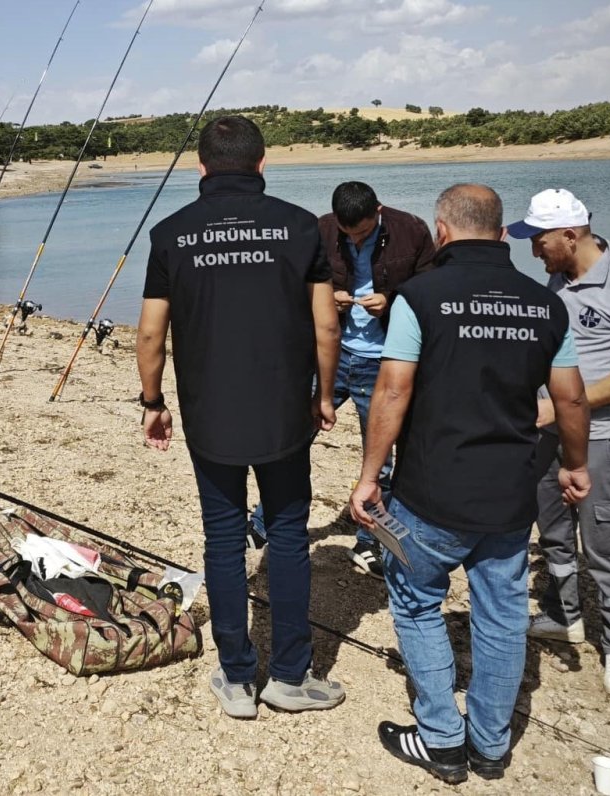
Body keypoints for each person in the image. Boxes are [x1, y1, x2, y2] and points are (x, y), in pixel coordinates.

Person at [350, 184, 590, 783]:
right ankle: (488, 743)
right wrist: (576, 464)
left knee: (416, 601)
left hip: (431, 493)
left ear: (441, 232)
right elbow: (571, 397)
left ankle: (441, 738)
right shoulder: (546, 305)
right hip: (510, 496)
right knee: (502, 614)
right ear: (504, 233)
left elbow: (393, 389)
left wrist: (367, 476)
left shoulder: (420, 296)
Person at [136, 116, 344, 719]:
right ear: (261, 165)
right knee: (287, 536)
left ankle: (235, 679)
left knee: (223, 540)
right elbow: (326, 324)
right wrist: (325, 394)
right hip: (283, 414)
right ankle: (289, 676)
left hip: (210, 416)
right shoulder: (301, 226)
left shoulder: (170, 233)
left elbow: (151, 333)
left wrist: (153, 404)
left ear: (200, 167)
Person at [250, 181, 435, 580]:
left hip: (385, 362)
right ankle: (263, 525)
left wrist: (392, 297)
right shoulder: (320, 229)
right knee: (291, 440)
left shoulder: (412, 230)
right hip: (328, 356)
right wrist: (326, 294)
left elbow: (431, 286)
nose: (355, 239)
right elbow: (290, 280)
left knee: (380, 461)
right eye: (348, 234)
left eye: (364, 233)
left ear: (379, 212)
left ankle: (369, 546)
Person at [507, 188, 610, 697]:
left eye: (539, 240)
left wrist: (569, 405)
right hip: (546, 434)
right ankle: (565, 616)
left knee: (605, 545)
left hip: (601, 437)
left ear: (571, 234)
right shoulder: (555, 282)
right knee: (555, 536)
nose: (533, 250)